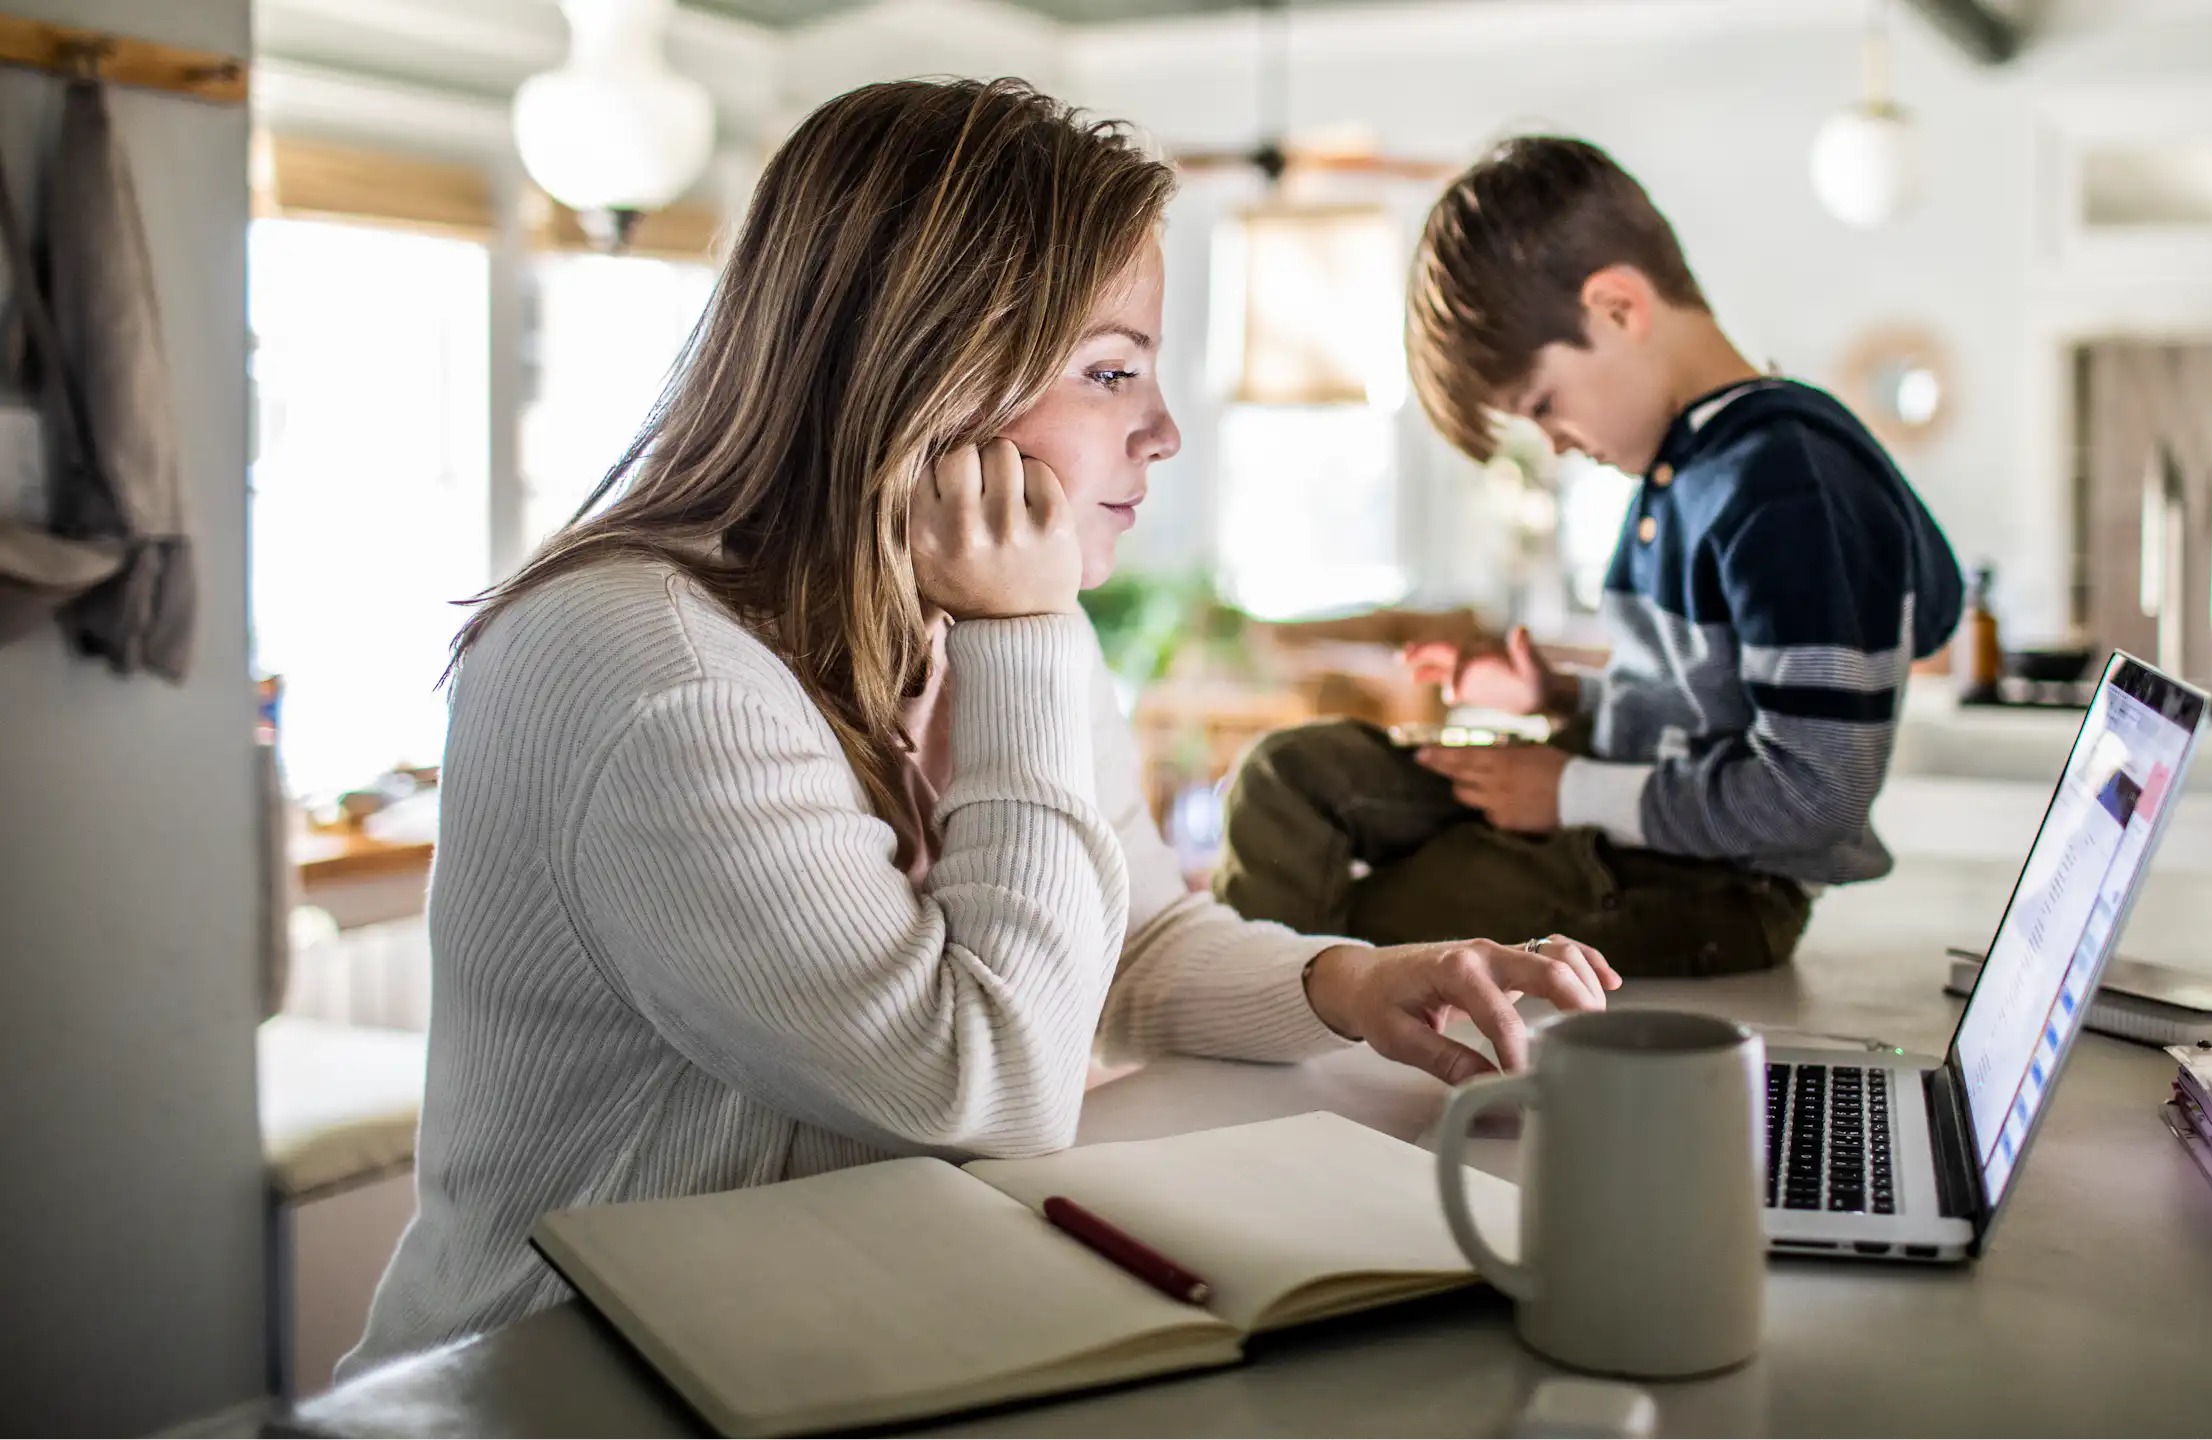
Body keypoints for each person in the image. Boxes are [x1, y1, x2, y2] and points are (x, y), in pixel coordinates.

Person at [342, 81, 1618, 1377]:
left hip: (812, 1330)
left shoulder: (963, 614)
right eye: (1112, 372)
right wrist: (1026, 639)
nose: (1165, 432)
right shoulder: (658, 670)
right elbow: (981, 1087)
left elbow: (1132, 937)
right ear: (927, 374)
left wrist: (1349, 983)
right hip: (562, 1382)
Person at [1214, 136, 1961, 979]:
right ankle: (1258, 999)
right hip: (1612, 806)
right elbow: (1700, 705)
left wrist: (1568, 791)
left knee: (1375, 921)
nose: (1558, 445)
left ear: (1616, 308)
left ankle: (1279, 1042)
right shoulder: (1686, 468)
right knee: (1287, 777)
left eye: (1544, 405)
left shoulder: (1795, 484)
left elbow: (1817, 795)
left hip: (1714, 884)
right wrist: (1558, 694)